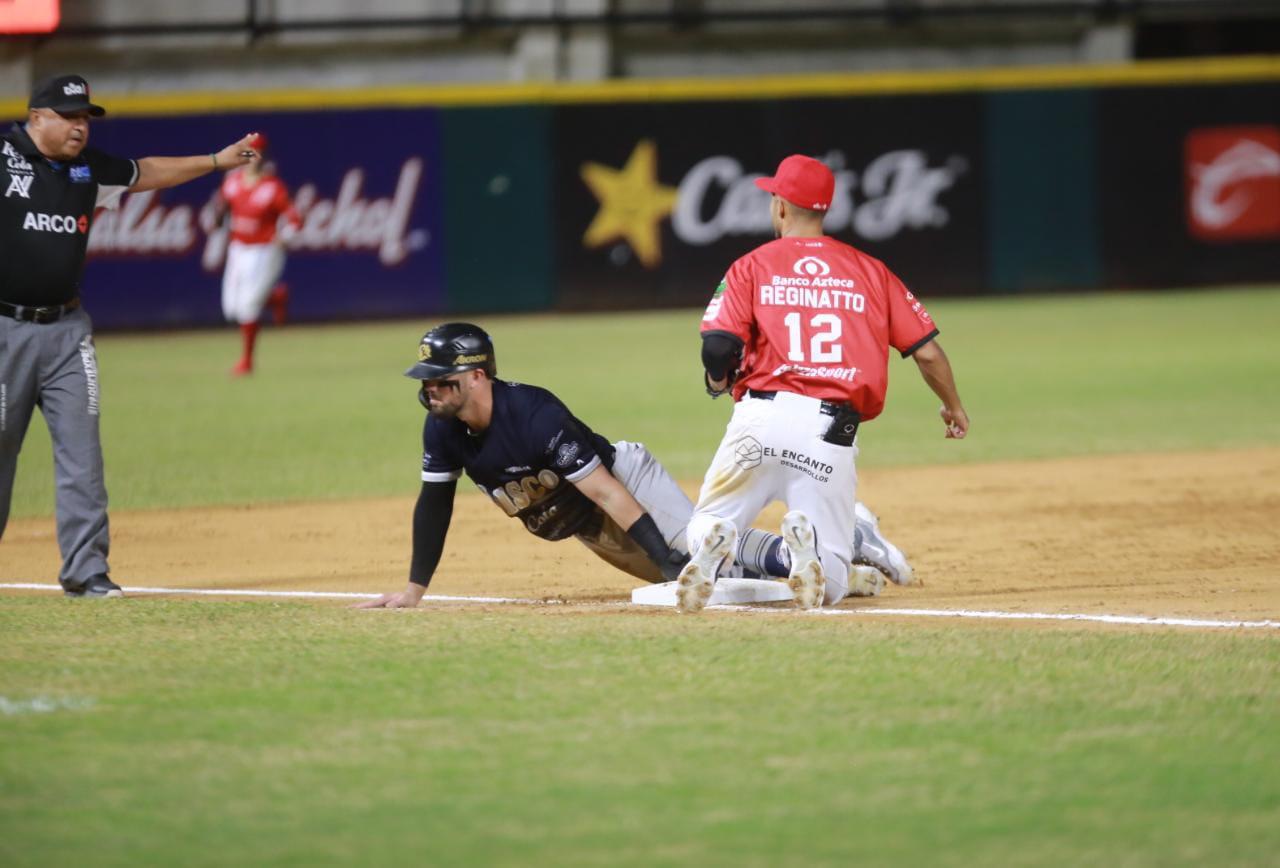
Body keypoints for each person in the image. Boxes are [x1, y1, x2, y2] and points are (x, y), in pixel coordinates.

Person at [357, 323, 913, 609]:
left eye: (441, 378)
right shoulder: (443, 429)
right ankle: (841, 565)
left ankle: (845, 538)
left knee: (696, 555)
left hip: (624, 484)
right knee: (716, 578)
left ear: (477, 375)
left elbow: (607, 492)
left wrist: (667, 561)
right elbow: (435, 503)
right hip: (588, 524)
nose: (430, 389)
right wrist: (413, 589)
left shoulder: (532, 414)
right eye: (427, 380)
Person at [0, 73, 262, 598]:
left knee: (82, 454)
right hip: (5, 329)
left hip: (68, 330)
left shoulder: (87, 169)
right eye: (69, 117)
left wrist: (214, 161)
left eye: (85, 119)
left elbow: (146, 172)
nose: (80, 128)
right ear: (37, 118)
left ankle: (86, 571)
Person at [677, 153, 969, 613]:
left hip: (760, 419)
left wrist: (719, 378)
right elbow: (928, 351)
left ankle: (720, 537)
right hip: (830, 435)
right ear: (824, 209)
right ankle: (805, 549)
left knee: (701, 527)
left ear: (780, 206)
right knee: (830, 584)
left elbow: (717, 346)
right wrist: (953, 405)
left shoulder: (751, 265)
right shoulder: (871, 271)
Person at [211, 132, 301, 376]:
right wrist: (217, 219)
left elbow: (295, 219)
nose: (253, 158)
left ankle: (246, 362)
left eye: (258, 152)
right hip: (238, 247)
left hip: (264, 249)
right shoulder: (231, 182)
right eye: (249, 152)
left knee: (248, 307)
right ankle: (275, 296)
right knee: (232, 309)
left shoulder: (273, 187)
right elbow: (221, 209)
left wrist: (286, 236)